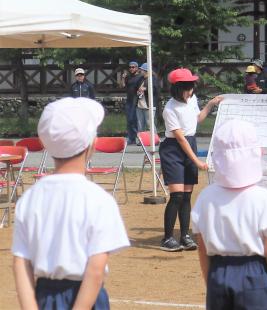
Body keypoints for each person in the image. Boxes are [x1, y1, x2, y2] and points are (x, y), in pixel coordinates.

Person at [12, 97, 129, 309]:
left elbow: (21, 263)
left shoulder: (29, 198)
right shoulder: (99, 199)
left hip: (44, 295)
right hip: (87, 298)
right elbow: (95, 270)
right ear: (91, 145)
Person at [191, 119, 267, 309]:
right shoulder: (264, 199)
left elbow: (202, 248)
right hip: (254, 274)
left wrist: (211, 282)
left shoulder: (205, 197)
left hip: (218, 271)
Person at [159, 68, 222, 252]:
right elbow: (179, 137)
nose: (191, 91)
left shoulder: (192, 100)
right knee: (177, 195)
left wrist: (210, 104)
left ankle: (185, 235)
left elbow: (197, 120)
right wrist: (197, 161)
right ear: (178, 89)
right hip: (173, 149)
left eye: (192, 87)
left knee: (186, 196)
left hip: (190, 143)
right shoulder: (169, 109)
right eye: (188, 88)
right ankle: (168, 238)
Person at [120, 61, 143, 145]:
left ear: (137, 68)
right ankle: (131, 138)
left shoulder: (140, 77)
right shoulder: (128, 77)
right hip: (129, 99)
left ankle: (139, 138)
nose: (131, 69)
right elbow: (122, 86)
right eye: (130, 67)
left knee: (135, 120)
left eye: (133, 67)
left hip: (136, 100)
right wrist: (123, 77)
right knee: (129, 120)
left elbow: (141, 88)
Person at [135, 62, 160, 133]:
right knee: (140, 125)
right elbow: (136, 88)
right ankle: (140, 141)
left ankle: (154, 140)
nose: (140, 71)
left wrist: (145, 89)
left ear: (146, 70)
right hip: (140, 104)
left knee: (150, 125)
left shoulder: (153, 79)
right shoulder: (141, 79)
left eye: (141, 70)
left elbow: (155, 90)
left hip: (149, 105)